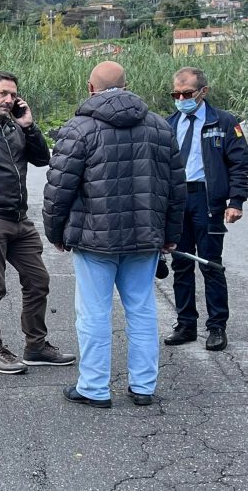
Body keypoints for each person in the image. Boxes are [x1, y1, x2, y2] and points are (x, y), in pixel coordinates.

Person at [43, 61, 186, 408]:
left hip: (95, 239)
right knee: (141, 310)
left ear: (91, 88)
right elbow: (176, 188)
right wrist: (171, 233)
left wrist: (56, 233)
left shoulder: (79, 128)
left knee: (93, 312)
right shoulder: (159, 127)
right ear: (127, 85)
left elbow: (59, 189)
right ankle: (143, 387)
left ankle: (94, 388)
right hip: (145, 237)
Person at [0, 71, 75, 375]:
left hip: (20, 222)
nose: (9, 100)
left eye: (13, 95)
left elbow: (43, 158)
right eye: (3, 93)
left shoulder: (13, 127)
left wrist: (29, 126)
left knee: (38, 281)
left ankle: (36, 346)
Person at [163, 67, 247, 352]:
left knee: (211, 264)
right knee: (181, 264)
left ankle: (217, 327)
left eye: (187, 93)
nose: (181, 98)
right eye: (176, 93)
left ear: (203, 91)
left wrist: (236, 201)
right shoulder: (169, 123)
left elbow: (239, 164)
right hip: (177, 201)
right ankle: (186, 324)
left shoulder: (223, 122)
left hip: (207, 200)